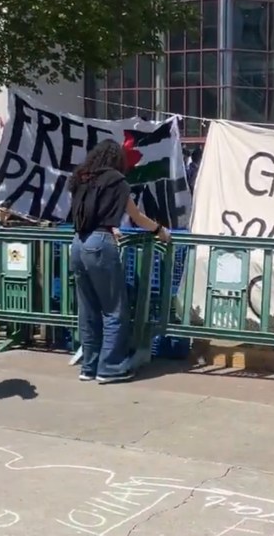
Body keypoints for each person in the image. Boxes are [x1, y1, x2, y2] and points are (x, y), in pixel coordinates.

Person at [69, 139, 170, 384]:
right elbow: (136, 216)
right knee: (114, 309)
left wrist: (108, 227)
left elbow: (88, 213)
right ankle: (110, 368)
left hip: (78, 242)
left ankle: (89, 367)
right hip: (101, 244)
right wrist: (159, 230)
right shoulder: (116, 180)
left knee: (88, 309)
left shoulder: (82, 177)